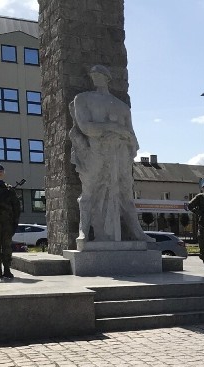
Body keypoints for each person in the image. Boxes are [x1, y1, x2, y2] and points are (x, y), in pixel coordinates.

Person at [69, 65, 149, 243]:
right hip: (96, 150)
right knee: (89, 191)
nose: (95, 77)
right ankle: (83, 232)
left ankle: (137, 232)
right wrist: (114, 128)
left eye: (99, 74)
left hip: (120, 154)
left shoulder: (122, 107)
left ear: (107, 78)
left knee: (126, 194)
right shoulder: (83, 99)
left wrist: (124, 138)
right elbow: (86, 127)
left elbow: (133, 138)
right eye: (93, 74)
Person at [0, 165, 21, 279]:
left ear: (3, 173)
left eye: (1, 171)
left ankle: (7, 269)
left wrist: (15, 222)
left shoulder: (9, 189)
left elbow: (16, 208)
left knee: (7, 246)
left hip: (7, 223)